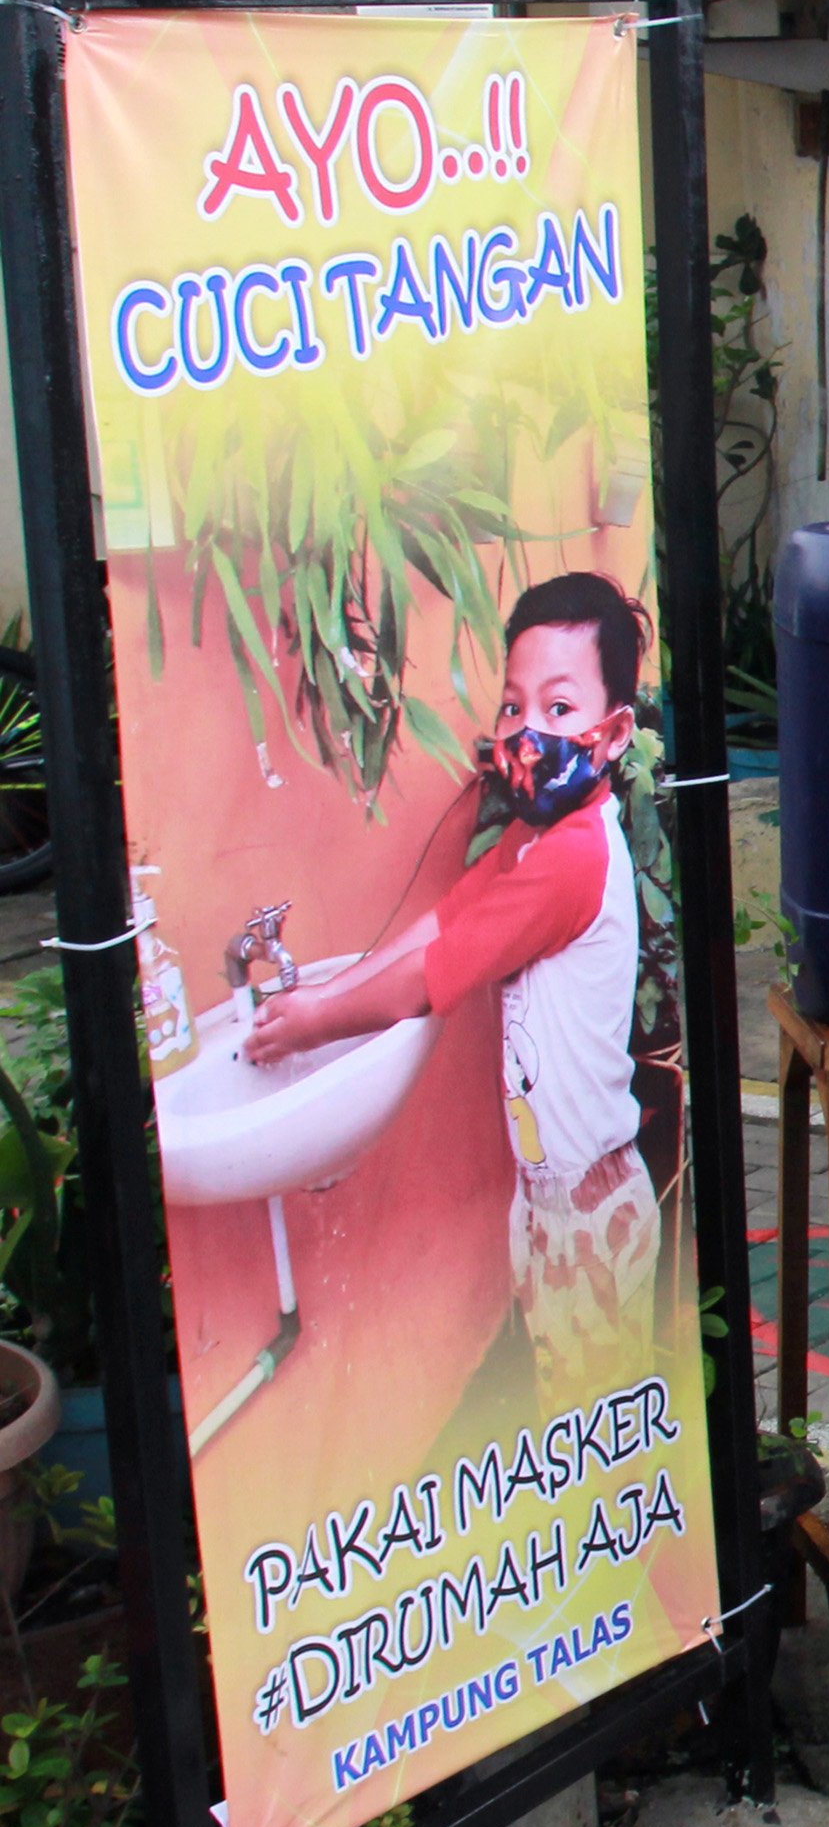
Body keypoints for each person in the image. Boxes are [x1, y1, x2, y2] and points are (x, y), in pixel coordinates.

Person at [250, 574, 662, 1405]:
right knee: (567, 1402)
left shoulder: (573, 859)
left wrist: (317, 1020)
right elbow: (446, 921)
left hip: (590, 1205)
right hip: (549, 1199)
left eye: (559, 708)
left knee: (593, 1422)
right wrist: (327, 993)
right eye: (513, 707)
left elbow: (432, 977)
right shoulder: (535, 838)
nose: (528, 731)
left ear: (616, 732)